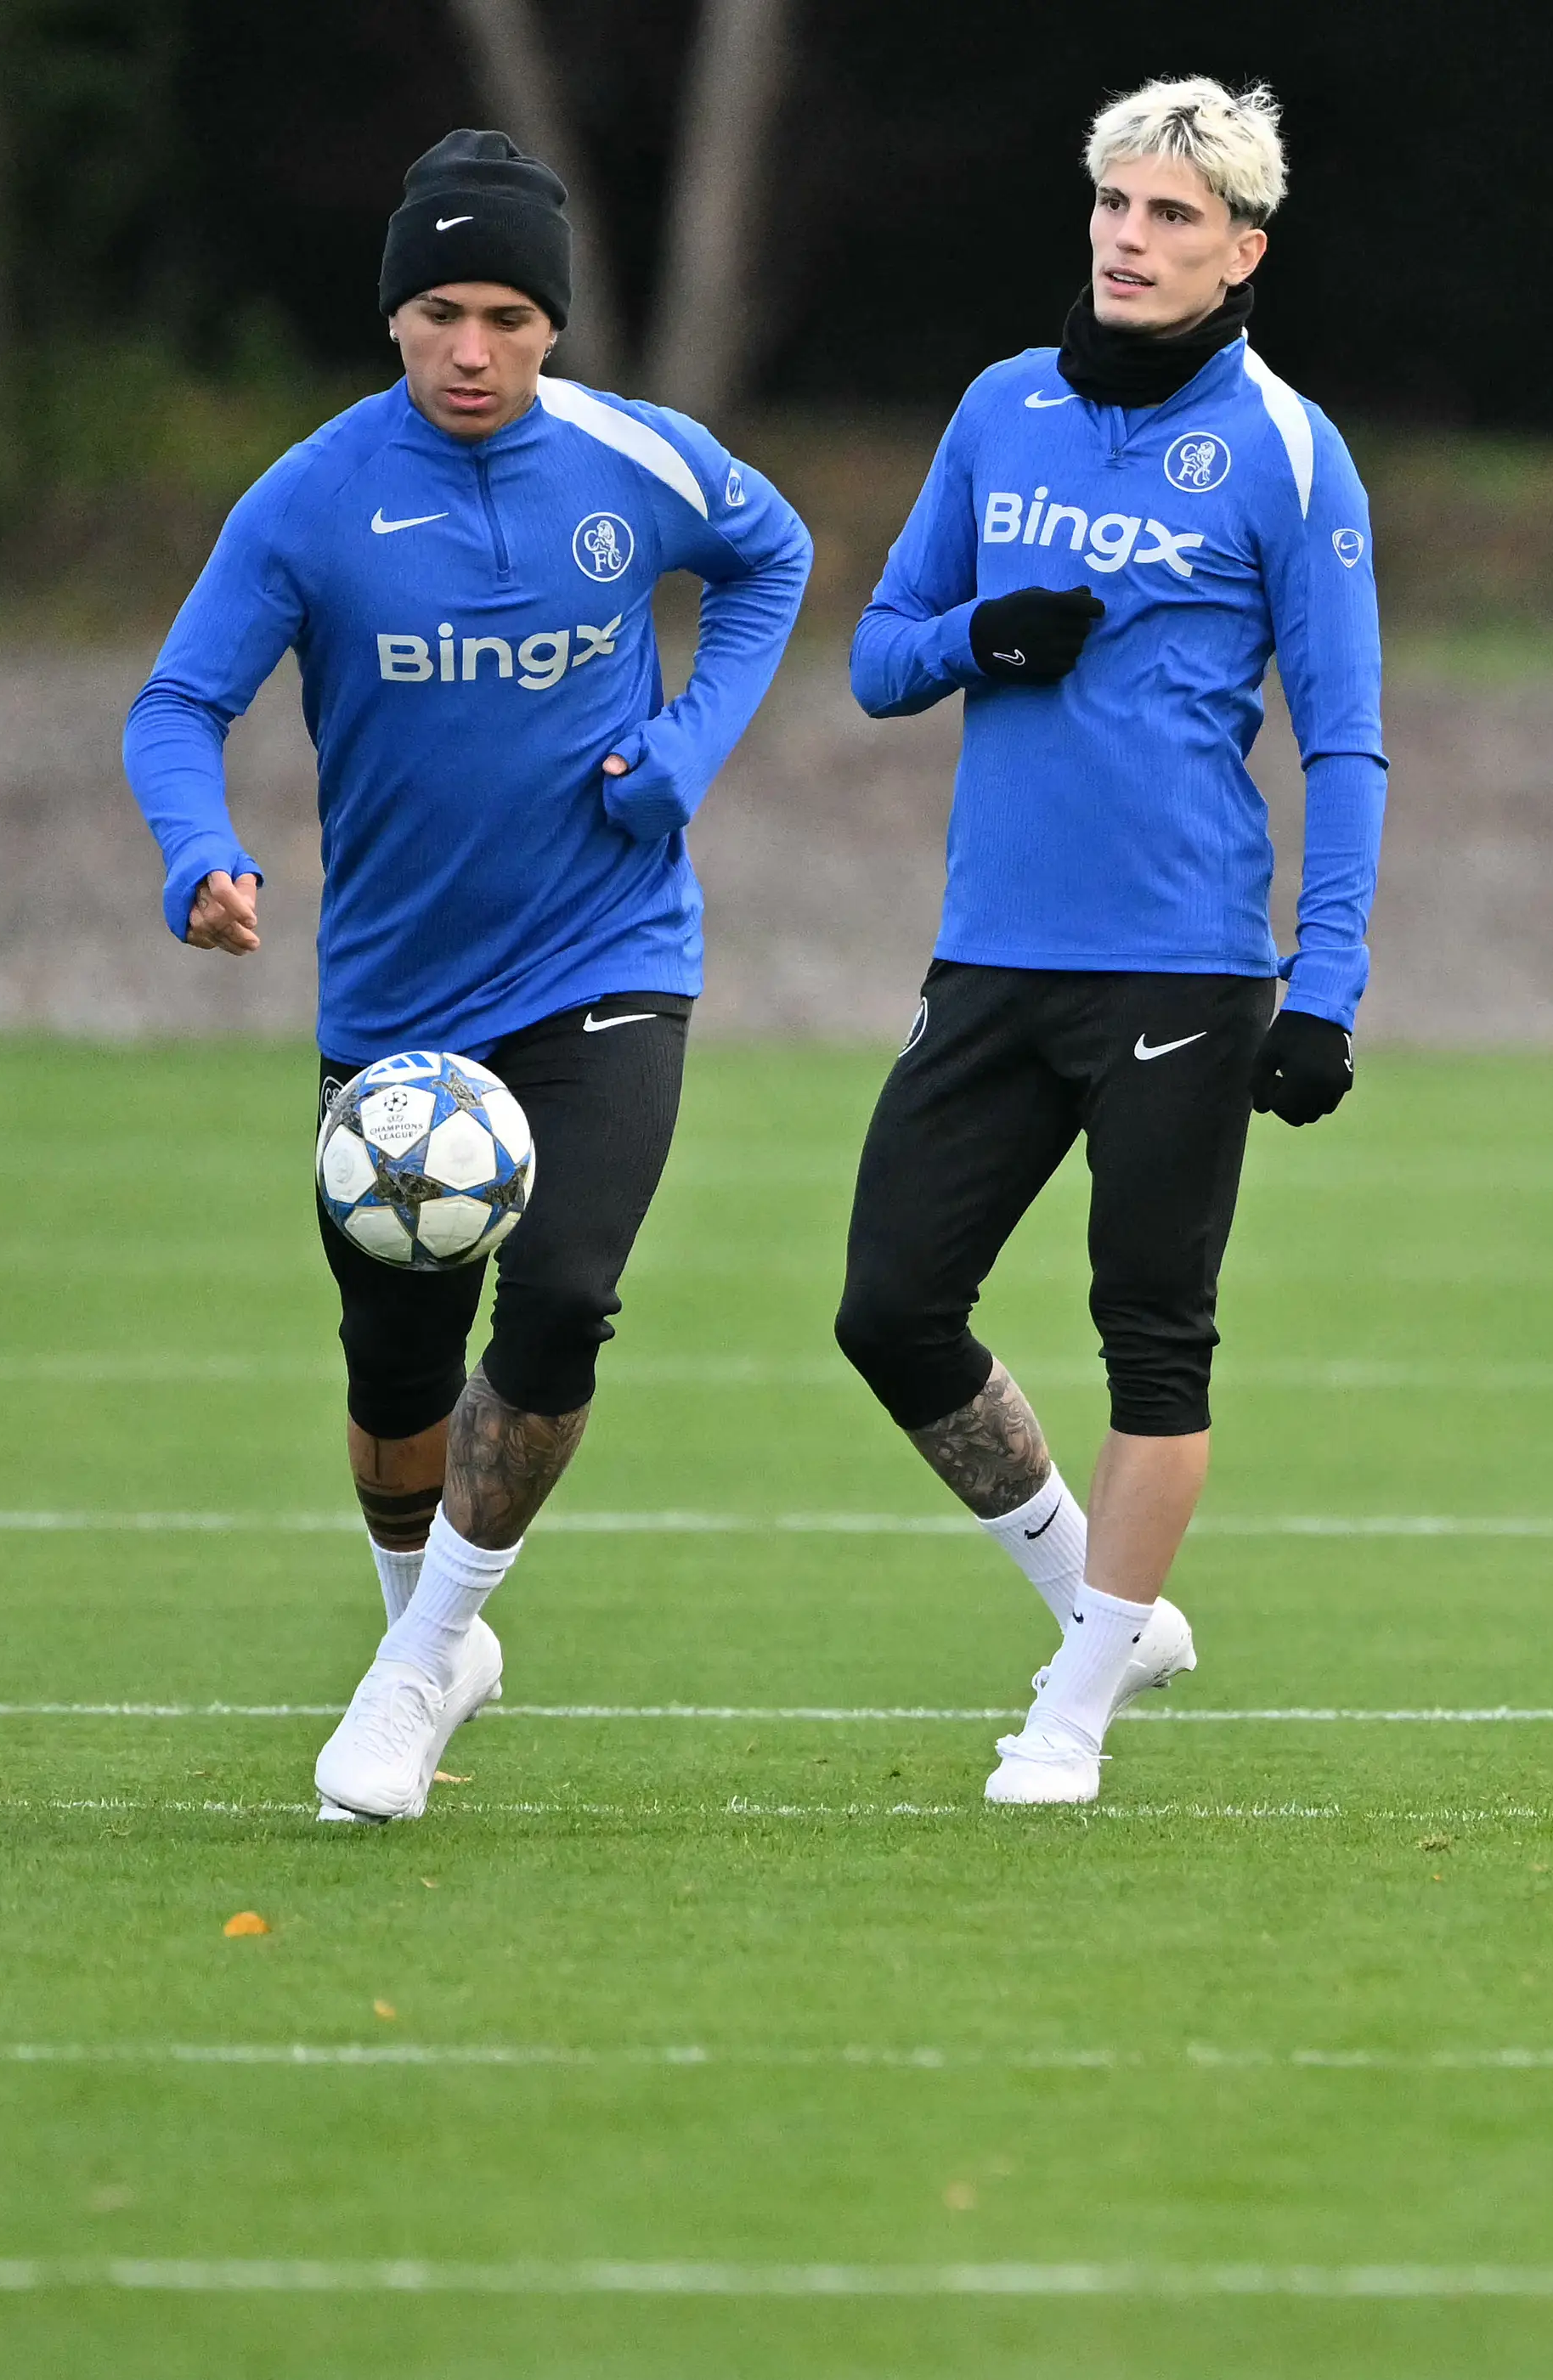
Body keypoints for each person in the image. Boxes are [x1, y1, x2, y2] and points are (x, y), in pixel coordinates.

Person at [122, 130, 813, 1822]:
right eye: (442, 310)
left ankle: (424, 1660)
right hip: (395, 1005)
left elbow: (771, 556)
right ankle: (417, 1629)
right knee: (393, 1373)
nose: (477, 350)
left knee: (567, 1291)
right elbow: (175, 707)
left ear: (557, 323)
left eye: (511, 313)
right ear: (396, 318)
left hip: (609, 954)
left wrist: (686, 749)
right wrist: (195, 855)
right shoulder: (309, 496)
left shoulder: (635, 458)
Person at [833, 76, 1386, 1806]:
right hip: (995, 948)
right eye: (1113, 207)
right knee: (889, 1310)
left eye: (1170, 217)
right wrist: (986, 636)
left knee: (1155, 1333)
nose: (1130, 240)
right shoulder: (1001, 410)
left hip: (1187, 962)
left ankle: (1070, 1709)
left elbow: (1346, 738)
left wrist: (1328, 986)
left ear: (1243, 253)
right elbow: (875, 658)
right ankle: (1102, 1601)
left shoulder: (1291, 451)